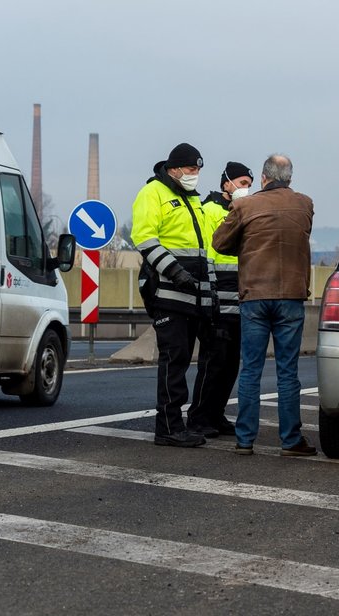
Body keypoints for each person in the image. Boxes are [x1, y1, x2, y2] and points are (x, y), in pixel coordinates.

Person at [212, 154, 317, 456]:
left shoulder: (245, 206)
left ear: (263, 178)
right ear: (290, 179)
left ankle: (245, 440)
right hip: (291, 298)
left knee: (251, 371)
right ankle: (291, 440)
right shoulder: (304, 204)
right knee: (287, 371)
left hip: (254, 296)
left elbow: (220, 243)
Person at [131, 143, 217, 447]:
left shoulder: (191, 199)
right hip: (167, 291)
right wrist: (175, 271)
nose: (195, 175)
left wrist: (209, 299)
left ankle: (175, 424)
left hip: (191, 297)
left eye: (198, 170)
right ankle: (167, 427)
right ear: (175, 168)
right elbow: (144, 237)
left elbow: (203, 252)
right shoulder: (153, 192)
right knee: (174, 359)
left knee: (181, 361)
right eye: (191, 170)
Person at [186, 162, 255, 438]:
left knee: (230, 365)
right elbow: (208, 255)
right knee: (213, 363)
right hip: (218, 301)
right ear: (226, 184)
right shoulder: (210, 210)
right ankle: (199, 416)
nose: (245, 188)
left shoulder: (244, 212)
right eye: (241, 183)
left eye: (249, 184)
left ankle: (216, 414)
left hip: (239, 301)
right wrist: (209, 297)